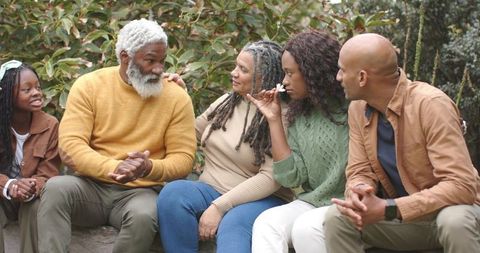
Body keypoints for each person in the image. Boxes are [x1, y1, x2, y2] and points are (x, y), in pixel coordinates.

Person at [36, 18, 196, 253]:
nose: (159, 69)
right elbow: (70, 146)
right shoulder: (89, 85)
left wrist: (147, 167)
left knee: (144, 215)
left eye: (162, 61)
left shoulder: (176, 97)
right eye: (150, 60)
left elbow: (183, 159)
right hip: (90, 187)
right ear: (125, 57)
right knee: (55, 189)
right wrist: (116, 167)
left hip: (141, 191)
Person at [323, 33, 480, 253]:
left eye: (342, 70)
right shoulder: (358, 109)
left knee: (454, 221)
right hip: (409, 222)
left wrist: (390, 208)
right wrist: (358, 191)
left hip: (454, 215)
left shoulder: (431, 105)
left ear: (362, 77)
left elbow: (462, 186)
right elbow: (359, 170)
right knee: (337, 218)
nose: (338, 77)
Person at [156, 40, 293, 253]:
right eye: (236, 65)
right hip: (210, 190)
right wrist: (179, 97)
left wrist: (219, 207)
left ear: (263, 77)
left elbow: (271, 178)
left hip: (261, 199)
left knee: (234, 222)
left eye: (243, 69)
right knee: (173, 194)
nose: (234, 73)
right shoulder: (226, 103)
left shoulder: (279, 115)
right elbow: (187, 133)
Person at [248, 30, 348, 253]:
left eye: (290, 73)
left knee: (306, 228)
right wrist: (274, 120)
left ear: (313, 72)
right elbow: (290, 176)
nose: (284, 81)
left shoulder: (352, 109)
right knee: (267, 223)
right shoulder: (299, 114)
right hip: (313, 202)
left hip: (346, 204)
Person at [0, 60, 60, 253]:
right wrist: (9, 186)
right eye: (27, 90)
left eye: (37, 87)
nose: (36, 92)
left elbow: (49, 173)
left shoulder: (50, 125)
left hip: (31, 196)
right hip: (3, 196)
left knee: (33, 208)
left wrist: (31, 187)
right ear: (8, 96)